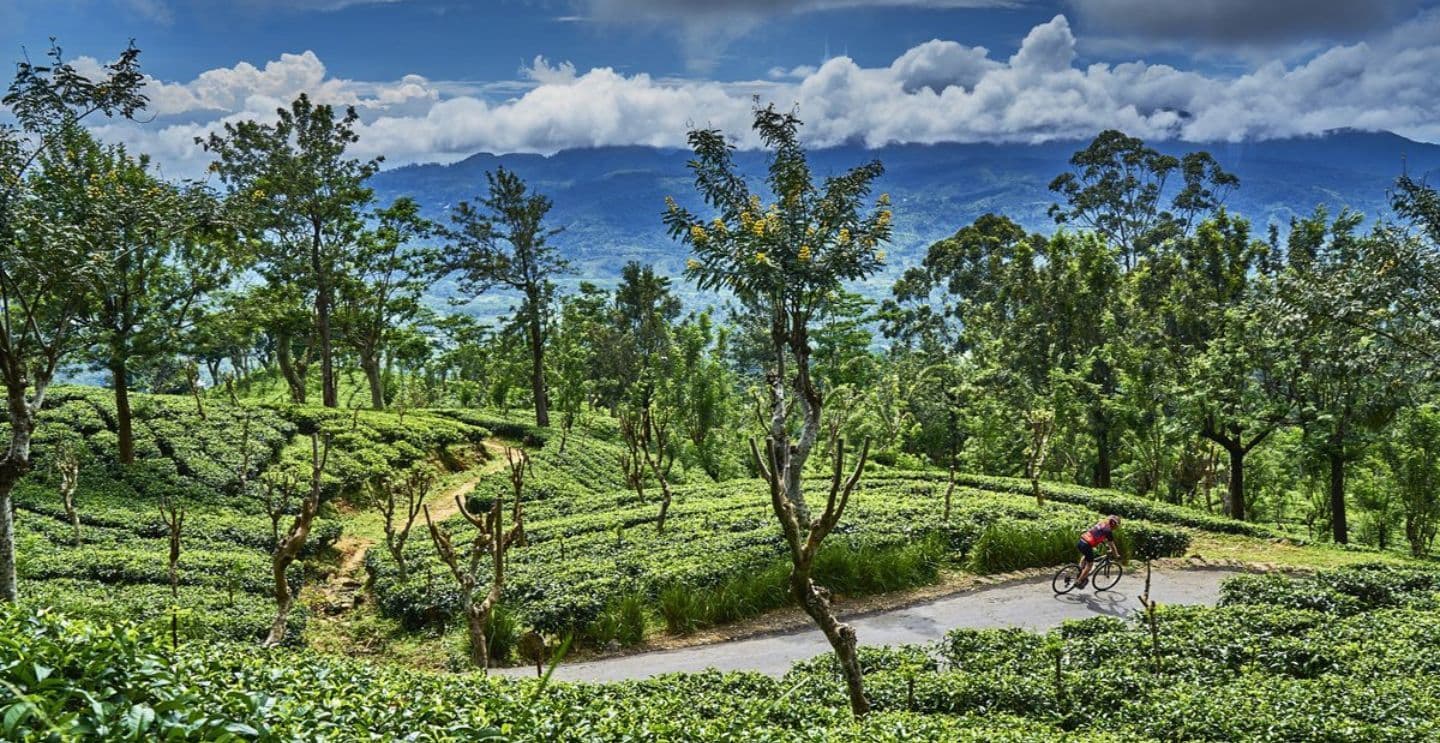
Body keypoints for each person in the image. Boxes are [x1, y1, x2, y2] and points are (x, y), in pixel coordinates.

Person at [1075, 515, 1121, 588]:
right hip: (1087, 545)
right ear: (1114, 525)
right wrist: (1116, 555)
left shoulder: (1102, 522)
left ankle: (1079, 570)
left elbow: (1097, 533)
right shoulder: (1108, 531)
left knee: (1086, 556)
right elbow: (1112, 545)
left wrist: (1103, 543)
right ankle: (1079, 581)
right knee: (1090, 564)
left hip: (1081, 541)